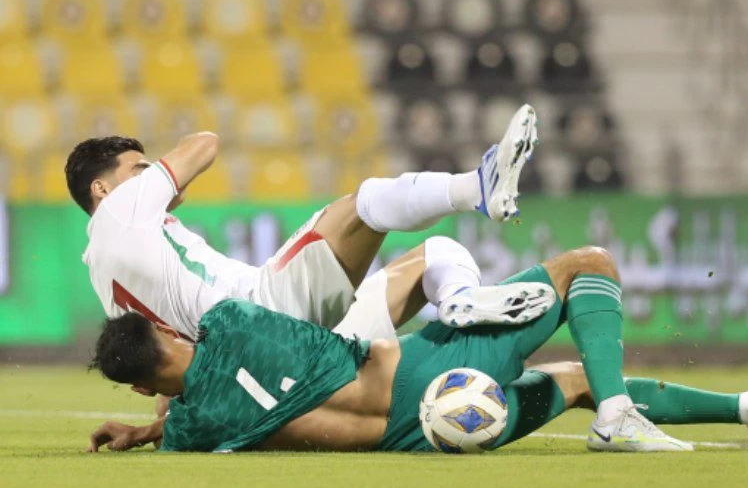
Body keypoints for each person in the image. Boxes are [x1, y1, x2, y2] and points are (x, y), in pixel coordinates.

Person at [87, 247, 748, 454]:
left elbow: (193, 407)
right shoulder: (237, 323)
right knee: (586, 268)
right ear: (172, 333)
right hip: (425, 379)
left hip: (417, 440)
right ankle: (621, 414)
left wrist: (145, 428)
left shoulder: (187, 432)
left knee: (568, 380)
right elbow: (354, 352)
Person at [63, 105, 553, 347]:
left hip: (272, 358)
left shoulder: (103, 275)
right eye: (136, 169)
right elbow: (204, 145)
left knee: (440, 254)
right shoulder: (122, 209)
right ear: (101, 190)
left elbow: (164, 358)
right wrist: (159, 174)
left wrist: (161, 422)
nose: (146, 176)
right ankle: (477, 188)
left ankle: (458, 302)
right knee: (364, 203)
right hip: (265, 307)